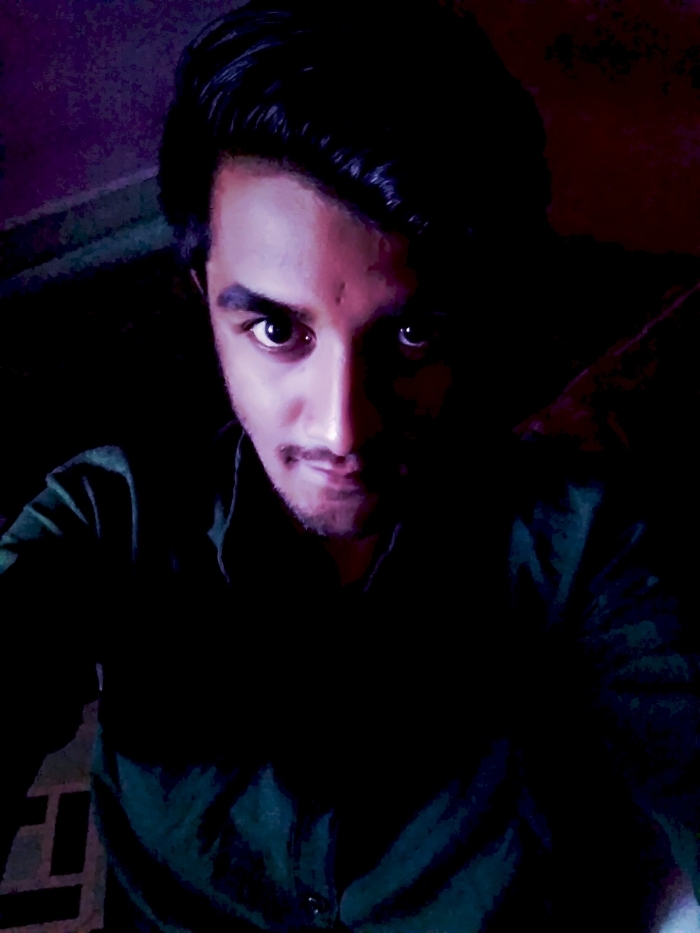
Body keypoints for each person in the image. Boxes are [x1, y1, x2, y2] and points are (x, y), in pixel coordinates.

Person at [1, 1, 698, 930]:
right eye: (275, 329)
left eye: (409, 336)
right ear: (202, 296)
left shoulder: (579, 546)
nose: (343, 427)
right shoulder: (110, 519)